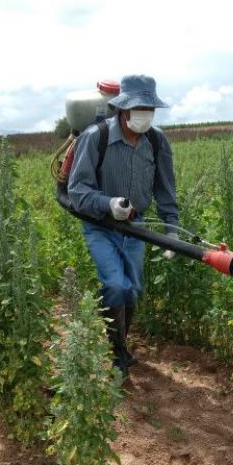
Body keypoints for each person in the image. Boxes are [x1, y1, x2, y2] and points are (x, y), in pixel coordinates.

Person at [67, 74, 179, 377]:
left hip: (136, 226)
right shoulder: (96, 137)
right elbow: (77, 191)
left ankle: (120, 342)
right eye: (139, 107)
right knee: (116, 285)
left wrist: (172, 230)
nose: (145, 113)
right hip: (101, 226)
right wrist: (109, 204)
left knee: (133, 291)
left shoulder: (156, 141)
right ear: (123, 108)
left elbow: (165, 189)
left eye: (149, 107)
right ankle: (118, 355)